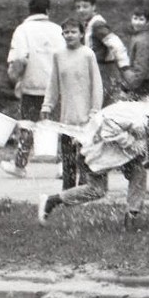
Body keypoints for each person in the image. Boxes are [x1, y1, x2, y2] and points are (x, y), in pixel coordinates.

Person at [0, 0, 66, 178]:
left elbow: (19, 59)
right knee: (58, 126)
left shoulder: (23, 30)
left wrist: (15, 79)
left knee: (27, 125)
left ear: (29, 10)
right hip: (55, 86)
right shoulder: (57, 29)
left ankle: (20, 165)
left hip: (31, 86)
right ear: (48, 10)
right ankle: (63, 165)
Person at [40, 17, 103, 191]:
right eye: (66, 32)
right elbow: (53, 84)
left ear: (81, 34)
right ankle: (67, 193)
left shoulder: (88, 55)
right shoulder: (58, 56)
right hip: (66, 118)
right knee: (68, 159)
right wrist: (47, 105)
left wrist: (95, 111)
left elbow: (97, 85)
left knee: (84, 158)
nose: (69, 35)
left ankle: (82, 192)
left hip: (86, 118)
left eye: (73, 32)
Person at [121, 6, 149, 168]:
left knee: (142, 120)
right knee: (146, 120)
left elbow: (141, 68)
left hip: (144, 84)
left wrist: (128, 86)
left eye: (141, 19)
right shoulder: (141, 37)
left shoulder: (142, 40)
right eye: (135, 18)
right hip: (145, 82)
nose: (137, 22)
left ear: (147, 22)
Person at [73, 0, 130, 107]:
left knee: (102, 103)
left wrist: (125, 67)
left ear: (93, 7)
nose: (81, 10)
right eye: (78, 7)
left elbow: (116, 44)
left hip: (103, 70)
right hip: (96, 69)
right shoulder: (88, 24)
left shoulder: (97, 25)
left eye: (85, 6)